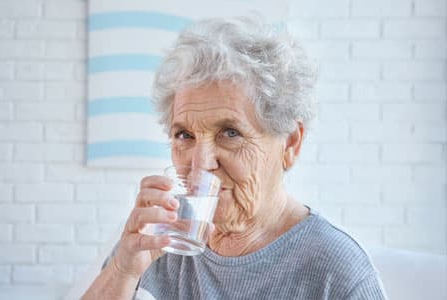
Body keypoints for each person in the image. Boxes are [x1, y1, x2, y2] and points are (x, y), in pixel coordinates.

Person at [82, 16, 388, 299]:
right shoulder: (162, 241)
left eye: (230, 133)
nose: (200, 164)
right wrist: (123, 269)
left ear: (291, 144)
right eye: (184, 135)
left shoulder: (337, 271)